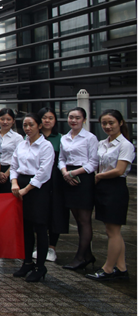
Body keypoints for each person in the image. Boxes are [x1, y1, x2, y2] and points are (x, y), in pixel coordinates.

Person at [86, 109, 134, 281]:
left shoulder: (126, 145)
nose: (107, 126)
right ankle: (121, 268)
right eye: (104, 123)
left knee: (114, 231)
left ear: (120, 123)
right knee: (111, 230)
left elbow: (120, 170)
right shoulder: (102, 143)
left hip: (115, 187)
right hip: (102, 187)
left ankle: (107, 269)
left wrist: (99, 176)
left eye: (111, 122)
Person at [10, 113, 55, 283]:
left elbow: (44, 172)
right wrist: (14, 183)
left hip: (37, 189)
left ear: (39, 126)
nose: (28, 128)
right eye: (25, 125)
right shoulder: (21, 144)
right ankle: (27, 262)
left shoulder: (46, 146)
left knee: (40, 227)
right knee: (25, 227)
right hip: (20, 185)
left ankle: (40, 266)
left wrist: (26, 189)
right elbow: (14, 166)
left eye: (31, 125)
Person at [58, 107, 99, 271]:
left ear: (84, 120)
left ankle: (80, 257)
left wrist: (74, 173)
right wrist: (65, 173)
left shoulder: (90, 138)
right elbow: (61, 159)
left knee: (84, 220)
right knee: (77, 219)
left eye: (77, 118)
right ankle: (88, 255)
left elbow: (93, 163)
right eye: (71, 117)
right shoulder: (65, 137)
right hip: (68, 177)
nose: (73, 120)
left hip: (83, 178)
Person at [37, 107, 64, 263]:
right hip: (37, 179)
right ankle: (40, 245)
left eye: (50, 118)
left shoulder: (61, 138)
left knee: (55, 212)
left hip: (55, 179)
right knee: (39, 212)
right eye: (44, 118)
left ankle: (52, 247)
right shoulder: (33, 137)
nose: (47, 121)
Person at [0, 108, 21, 194]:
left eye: (8, 119)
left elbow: (19, 158)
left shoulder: (17, 138)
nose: (5, 122)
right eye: (2, 119)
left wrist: (6, 174)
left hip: (11, 171)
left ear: (13, 121)